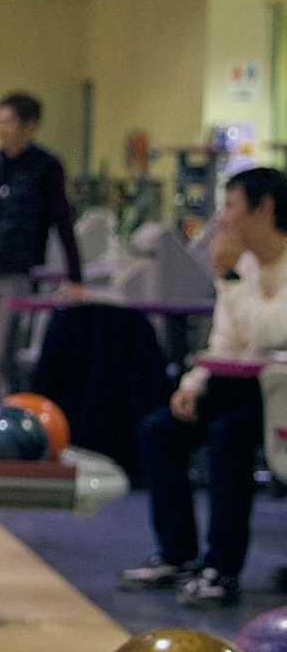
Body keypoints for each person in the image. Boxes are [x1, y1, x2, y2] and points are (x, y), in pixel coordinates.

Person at [119, 166, 287, 609]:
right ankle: (177, 555)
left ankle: (221, 568)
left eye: (231, 205)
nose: (223, 218)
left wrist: (229, 280)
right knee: (161, 429)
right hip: (234, 382)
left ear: (264, 208)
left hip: (280, 395)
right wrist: (194, 383)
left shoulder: (256, 268)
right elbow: (226, 339)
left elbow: (273, 332)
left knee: (227, 436)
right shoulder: (243, 264)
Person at [0, 93, 85, 405]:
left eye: (8, 122)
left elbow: (62, 222)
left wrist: (75, 277)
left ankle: (9, 410)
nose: (2, 129)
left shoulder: (46, 167)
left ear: (31, 126)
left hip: (13, 270)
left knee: (1, 355)